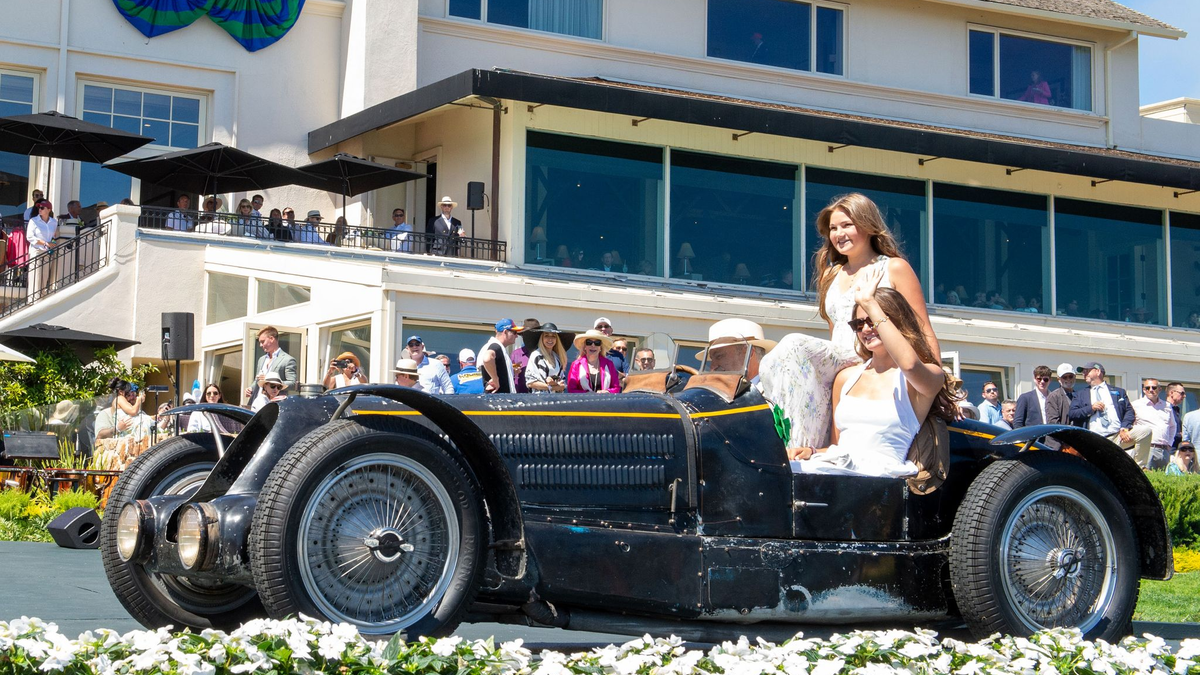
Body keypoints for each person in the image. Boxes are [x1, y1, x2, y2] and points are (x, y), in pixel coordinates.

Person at [760, 193, 939, 451]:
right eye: (833, 228)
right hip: (842, 365)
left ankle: (796, 448)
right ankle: (795, 448)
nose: (838, 233)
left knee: (794, 344)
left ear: (867, 225)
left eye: (846, 225)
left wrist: (937, 380)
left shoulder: (893, 268)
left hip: (876, 357)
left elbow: (922, 327)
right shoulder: (831, 275)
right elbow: (835, 333)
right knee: (783, 366)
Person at [787, 274, 958, 477]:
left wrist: (869, 302)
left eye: (873, 321)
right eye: (859, 324)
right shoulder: (846, 377)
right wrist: (812, 452)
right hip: (836, 472)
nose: (866, 329)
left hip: (881, 482)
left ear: (898, 322)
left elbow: (910, 365)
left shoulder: (926, 375)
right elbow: (840, 448)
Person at [1069, 361, 1141, 454]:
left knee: (1145, 431)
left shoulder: (1118, 392)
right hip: (1094, 439)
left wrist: (1124, 427)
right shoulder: (1080, 394)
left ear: (1098, 372)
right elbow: (1072, 413)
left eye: (1087, 371)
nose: (1084, 373)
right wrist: (1091, 408)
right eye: (1083, 372)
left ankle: (1140, 467)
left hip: (1117, 436)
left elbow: (1129, 411)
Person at [699, 318, 776, 387]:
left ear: (747, 353)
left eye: (719, 356)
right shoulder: (713, 394)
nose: (712, 368)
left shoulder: (776, 394)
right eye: (712, 359)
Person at [245, 326, 297, 406]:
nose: (260, 345)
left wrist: (273, 382)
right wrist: (251, 388)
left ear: (272, 339)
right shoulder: (261, 359)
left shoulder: (288, 360)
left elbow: (293, 383)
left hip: (275, 404)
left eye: (262, 341)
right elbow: (258, 380)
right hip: (257, 403)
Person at [1131, 377, 1176, 470]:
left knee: (1162, 481)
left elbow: (1172, 426)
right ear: (1144, 390)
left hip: (1164, 450)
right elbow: (1131, 426)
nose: (1151, 390)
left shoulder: (1167, 406)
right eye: (1147, 388)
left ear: (1159, 389)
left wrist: (1169, 444)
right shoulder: (1135, 405)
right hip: (1147, 449)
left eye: (1154, 387)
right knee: (1146, 478)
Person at [524, 323, 573, 393]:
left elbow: (562, 382)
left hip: (555, 400)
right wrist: (552, 387)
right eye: (546, 336)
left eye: (553, 336)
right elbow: (531, 383)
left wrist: (556, 384)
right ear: (542, 338)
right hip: (539, 400)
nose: (550, 339)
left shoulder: (557, 357)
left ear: (556, 339)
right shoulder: (536, 355)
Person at [479, 318, 521, 393]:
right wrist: (495, 379)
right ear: (505, 332)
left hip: (497, 399)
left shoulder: (497, 347)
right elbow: (487, 359)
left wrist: (509, 371)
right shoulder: (495, 346)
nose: (517, 336)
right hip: (497, 400)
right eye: (514, 332)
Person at [26, 200, 59, 294]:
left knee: (44, 276)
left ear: (48, 210)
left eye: (42, 208)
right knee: (35, 275)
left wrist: (52, 242)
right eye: (39, 207)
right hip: (36, 251)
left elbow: (54, 236)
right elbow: (29, 237)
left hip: (47, 251)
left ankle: (41, 296)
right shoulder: (33, 221)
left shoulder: (54, 222)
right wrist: (45, 243)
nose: (39, 209)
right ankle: (33, 298)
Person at [511, 318, 542, 393]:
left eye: (532, 335)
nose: (529, 338)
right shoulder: (516, 354)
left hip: (540, 398)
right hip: (519, 399)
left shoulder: (545, 354)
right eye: (526, 335)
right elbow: (508, 377)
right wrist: (513, 372)